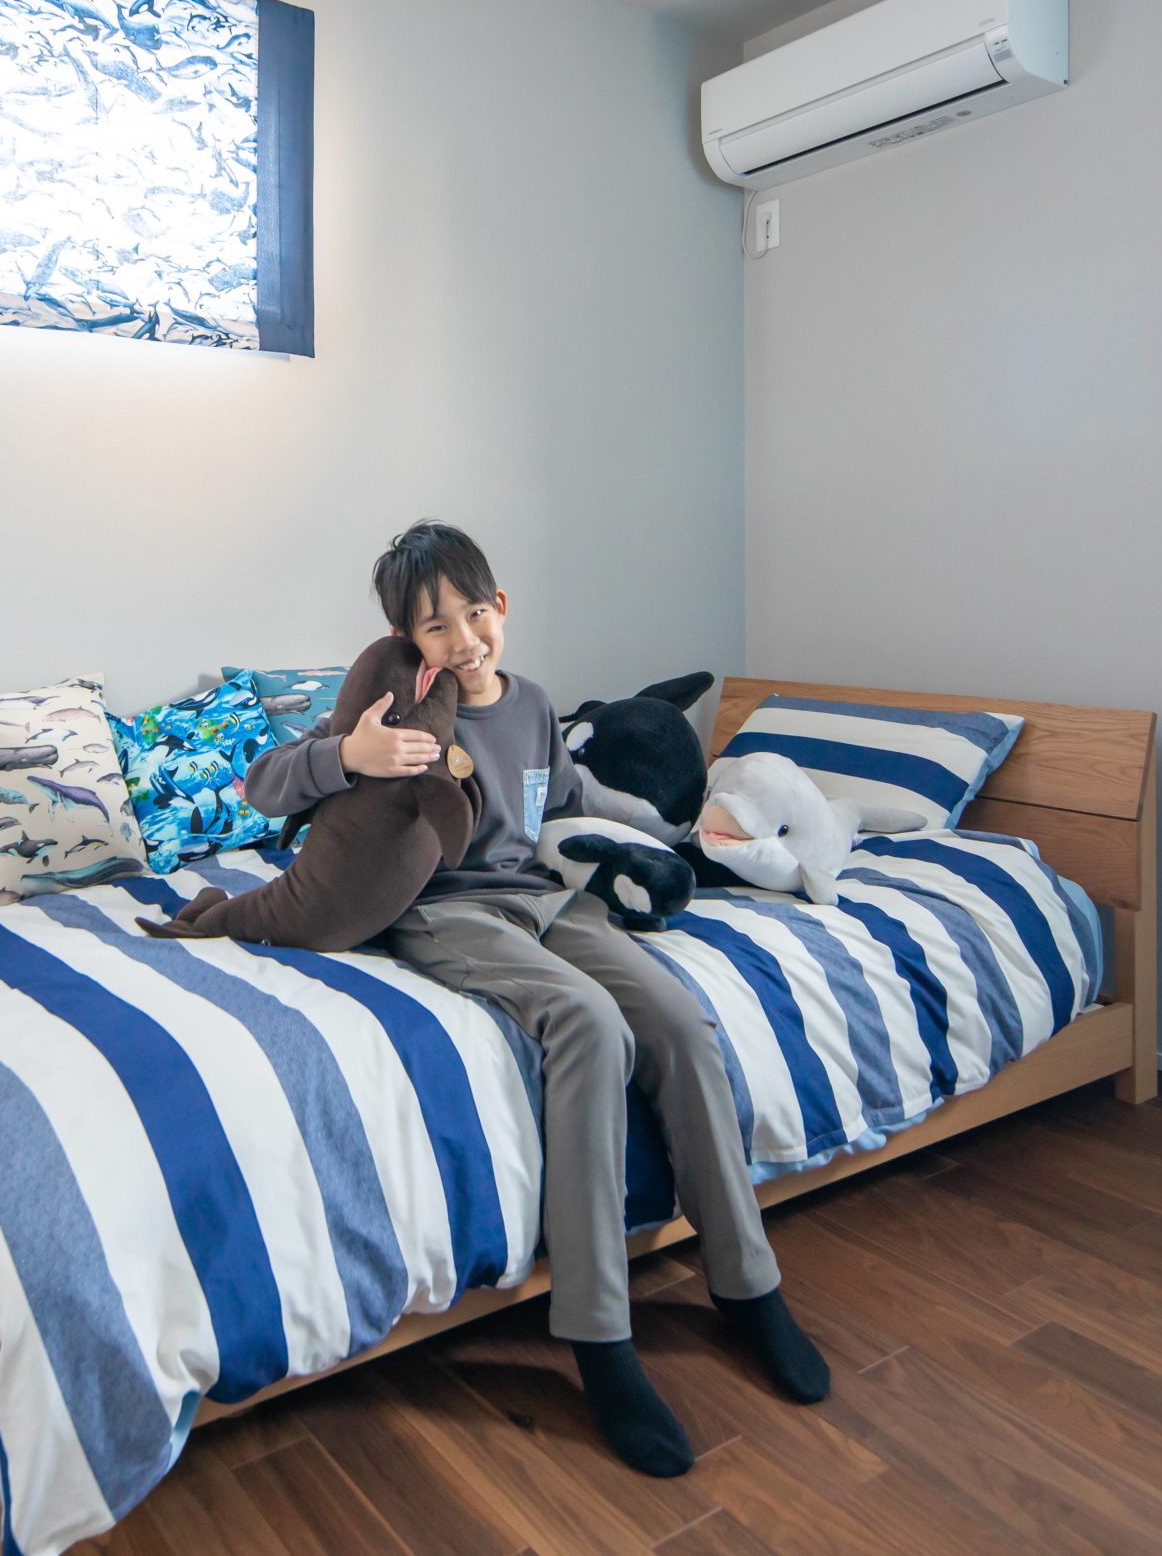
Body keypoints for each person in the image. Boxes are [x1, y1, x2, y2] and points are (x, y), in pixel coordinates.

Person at [241, 521, 828, 1476]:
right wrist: (349, 754)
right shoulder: (395, 711)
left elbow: (570, 800)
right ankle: (599, 1332)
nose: (463, 640)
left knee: (680, 1019)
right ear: (405, 638)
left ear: (501, 606)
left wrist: (676, 832)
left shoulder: (535, 703)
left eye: (474, 613)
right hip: (446, 913)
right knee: (587, 1024)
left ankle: (747, 1283)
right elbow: (264, 785)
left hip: (546, 900)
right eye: (436, 626)